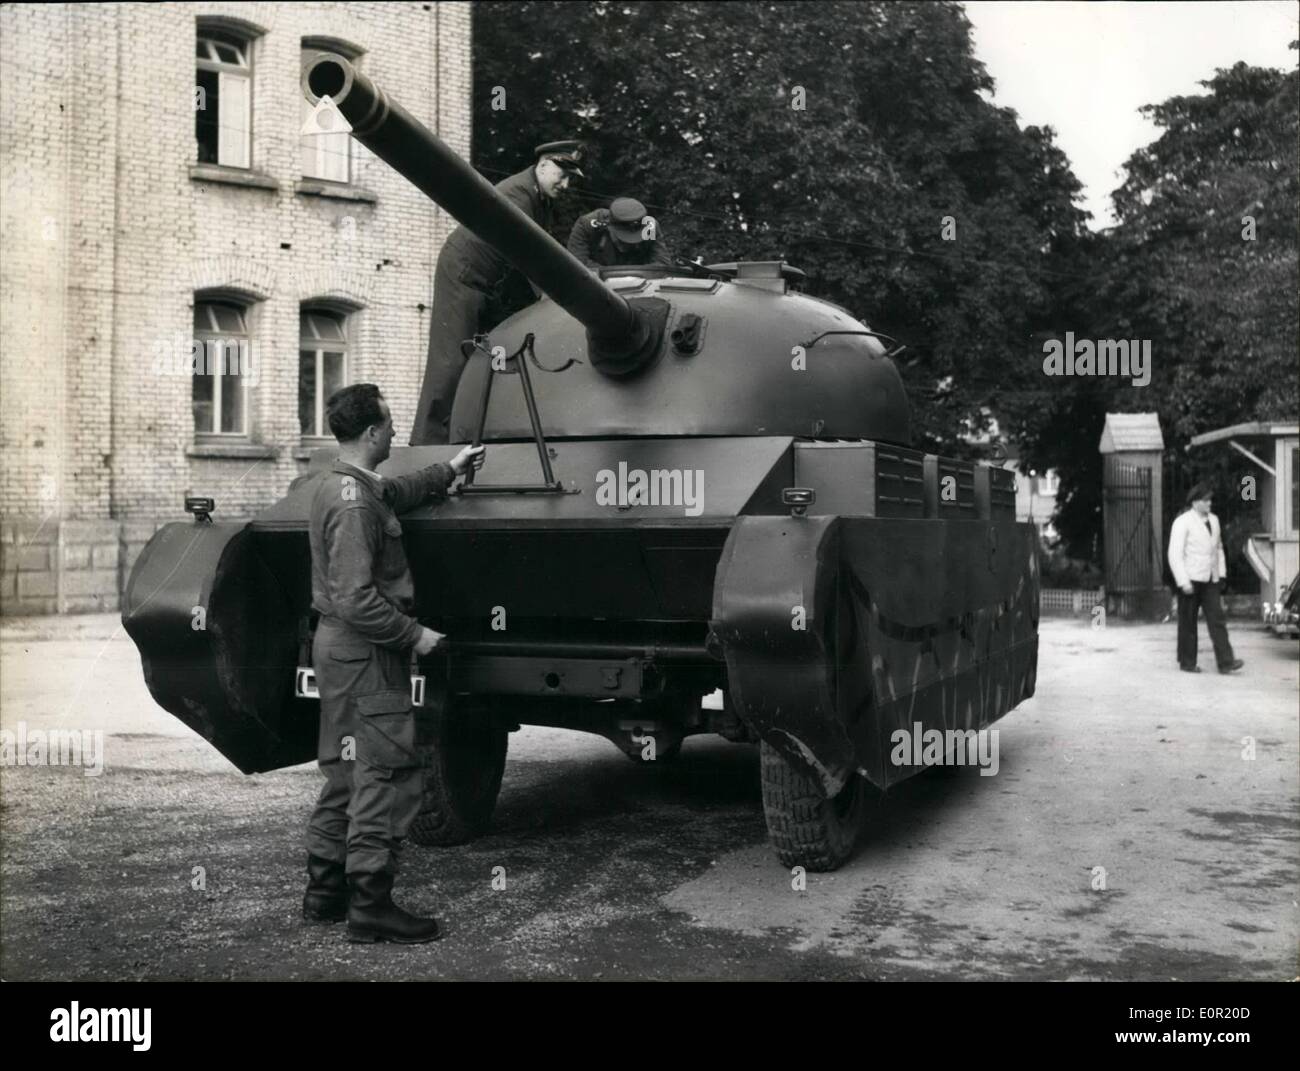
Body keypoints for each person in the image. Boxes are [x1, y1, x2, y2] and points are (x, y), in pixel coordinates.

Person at [302, 383, 485, 943]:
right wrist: (415, 635)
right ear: (371, 433)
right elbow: (357, 598)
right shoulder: (356, 506)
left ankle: (326, 891)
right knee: (384, 771)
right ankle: (371, 907)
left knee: (344, 771)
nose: (394, 432)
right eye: (388, 424)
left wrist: (448, 470)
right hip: (365, 652)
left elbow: (396, 492)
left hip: (337, 649)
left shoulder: (343, 486)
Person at [411, 140, 586, 446]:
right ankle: (427, 445)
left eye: (572, 178)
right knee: (451, 361)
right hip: (465, 275)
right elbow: (530, 255)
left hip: (490, 281)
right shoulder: (518, 195)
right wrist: (551, 299)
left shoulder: (539, 198)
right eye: (562, 173)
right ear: (543, 164)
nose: (566, 183)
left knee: (496, 357)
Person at [1167, 481, 1244, 675]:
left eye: (1210, 499)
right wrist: (1183, 581)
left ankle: (1226, 662)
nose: (1210, 503)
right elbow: (1174, 554)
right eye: (1206, 500)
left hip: (1211, 579)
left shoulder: (1215, 520)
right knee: (1188, 622)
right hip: (1190, 579)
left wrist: (1222, 574)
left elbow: (1218, 549)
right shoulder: (1182, 522)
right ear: (1195, 502)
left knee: (1217, 620)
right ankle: (1187, 662)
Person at [567, 196, 673, 269]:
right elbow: (577, 265)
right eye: (623, 239)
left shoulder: (650, 227)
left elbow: (662, 264)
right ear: (609, 227)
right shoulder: (587, 225)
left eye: (636, 239)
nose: (628, 244)